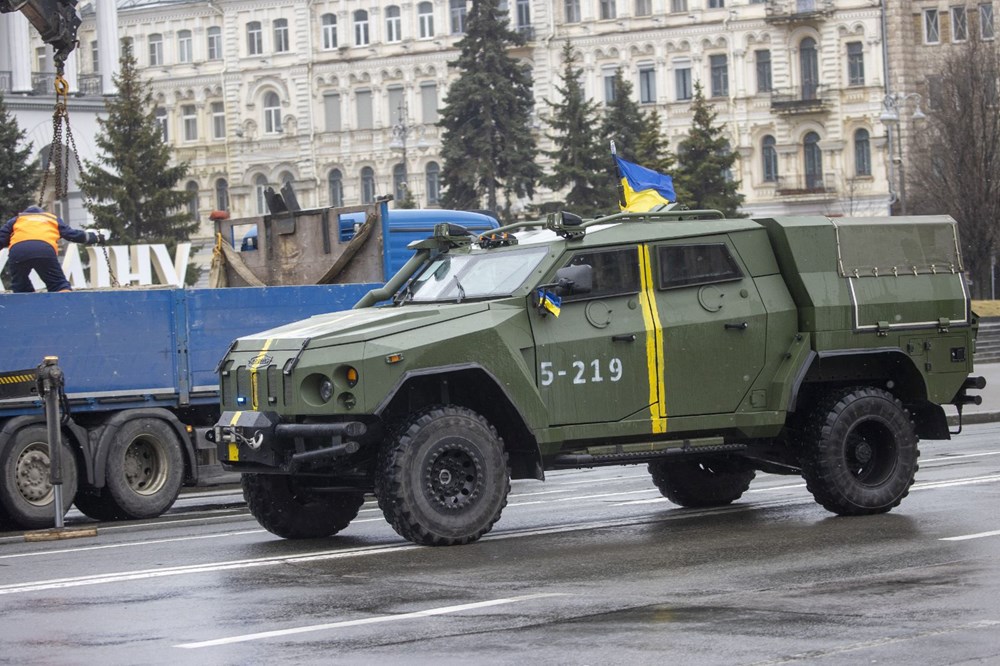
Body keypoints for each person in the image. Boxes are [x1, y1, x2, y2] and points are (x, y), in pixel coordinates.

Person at [0, 205, 108, 293]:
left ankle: (25, 309)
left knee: (20, 284)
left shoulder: (17, 219)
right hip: (44, 249)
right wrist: (96, 238)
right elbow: (72, 234)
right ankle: (65, 308)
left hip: (18, 250)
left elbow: (2, 238)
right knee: (58, 284)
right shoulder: (51, 218)